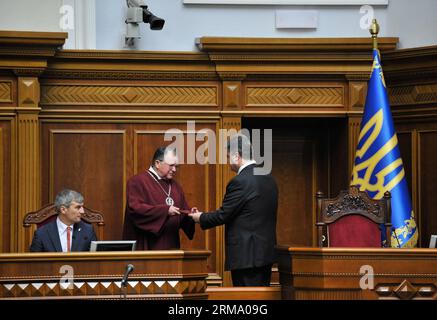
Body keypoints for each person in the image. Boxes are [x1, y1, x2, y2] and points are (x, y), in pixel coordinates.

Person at [190, 134, 278, 286]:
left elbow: (224, 215)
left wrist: (199, 217)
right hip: (265, 255)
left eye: (228, 156)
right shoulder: (269, 178)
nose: (227, 161)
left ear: (237, 156)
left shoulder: (240, 181)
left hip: (247, 257)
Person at [122, 146, 195, 250]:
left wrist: (190, 215)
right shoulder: (137, 182)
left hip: (171, 246)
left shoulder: (176, 186)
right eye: (171, 165)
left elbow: (182, 212)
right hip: (147, 246)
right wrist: (165, 210)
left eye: (176, 166)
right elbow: (136, 210)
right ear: (157, 163)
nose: (174, 170)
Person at [30, 189, 97, 252]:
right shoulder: (42, 233)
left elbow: (95, 260)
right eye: (78, 207)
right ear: (63, 210)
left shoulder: (88, 231)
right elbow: (34, 262)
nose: (82, 211)